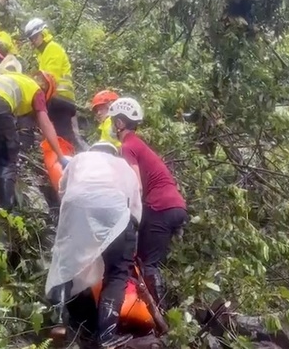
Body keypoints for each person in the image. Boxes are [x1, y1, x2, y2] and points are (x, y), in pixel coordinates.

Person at [46, 141, 142, 348]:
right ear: (114, 153)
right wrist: (128, 242)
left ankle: (59, 323)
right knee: (117, 273)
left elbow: (63, 192)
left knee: (67, 266)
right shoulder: (125, 167)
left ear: (93, 151)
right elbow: (135, 209)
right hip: (115, 211)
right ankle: (106, 336)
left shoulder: (79, 160)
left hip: (76, 209)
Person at [108, 97, 188, 311]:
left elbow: (135, 184)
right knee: (150, 259)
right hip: (174, 206)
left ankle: (158, 312)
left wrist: (131, 217)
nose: (110, 125)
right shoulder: (138, 144)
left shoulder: (127, 146)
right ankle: (160, 309)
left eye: (112, 120)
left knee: (146, 263)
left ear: (119, 123)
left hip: (160, 206)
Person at [0, 71, 70, 210]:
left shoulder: (16, 78)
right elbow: (46, 124)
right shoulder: (37, 91)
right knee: (8, 157)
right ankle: (6, 208)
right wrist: (61, 157)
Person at [24, 18, 87, 151]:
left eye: (35, 37)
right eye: (31, 39)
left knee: (65, 136)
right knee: (59, 134)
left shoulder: (52, 48)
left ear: (43, 33)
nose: (33, 41)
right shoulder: (44, 53)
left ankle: (75, 158)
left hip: (61, 99)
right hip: (55, 99)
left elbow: (49, 78)